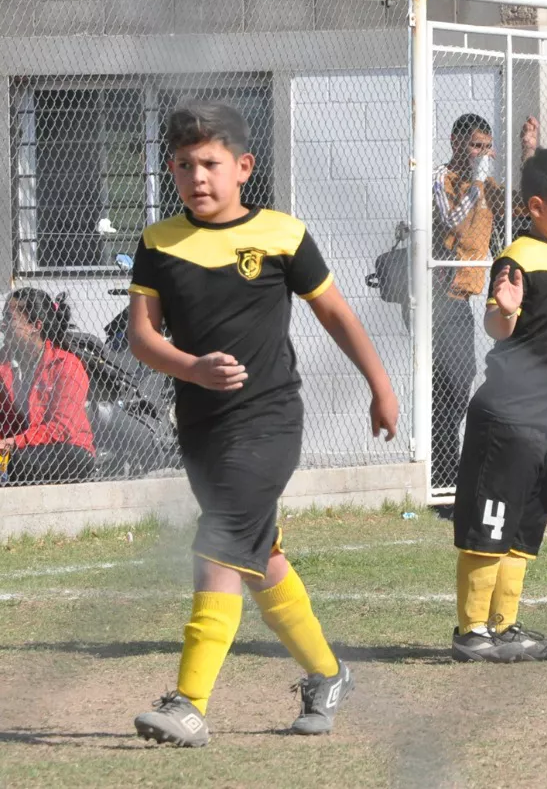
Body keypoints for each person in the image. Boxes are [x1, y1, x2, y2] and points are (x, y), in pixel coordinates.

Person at [127, 100, 398, 747]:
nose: (199, 176)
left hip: (270, 420)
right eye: (186, 164)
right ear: (172, 168)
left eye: (212, 164)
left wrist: (380, 386)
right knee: (257, 556)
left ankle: (189, 702)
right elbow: (141, 337)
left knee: (219, 542)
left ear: (243, 167)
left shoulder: (283, 234)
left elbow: (335, 314)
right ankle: (328, 675)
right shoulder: (157, 243)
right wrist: (191, 369)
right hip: (201, 427)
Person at [450, 147, 547, 663]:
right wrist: (507, 313)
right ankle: (472, 631)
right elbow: (497, 324)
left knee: (525, 524)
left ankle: (504, 625)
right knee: (490, 522)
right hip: (508, 415)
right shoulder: (517, 257)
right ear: (537, 207)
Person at [416, 113, 539, 495]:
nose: (482, 154)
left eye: (487, 148)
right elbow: (451, 219)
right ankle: (442, 472)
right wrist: (475, 180)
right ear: (456, 143)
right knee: (454, 381)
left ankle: (446, 470)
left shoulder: (485, 185)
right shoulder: (443, 178)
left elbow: (523, 206)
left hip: (463, 297)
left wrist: (529, 153)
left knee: (455, 382)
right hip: (439, 295)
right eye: (475, 147)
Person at [0, 289, 95, 485]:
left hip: (64, 450)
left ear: (35, 325)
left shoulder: (66, 365)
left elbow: (61, 429)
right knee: (12, 460)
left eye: (9, 318)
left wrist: (12, 443)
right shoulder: (4, 365)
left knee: (14, 461)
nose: (2, 325)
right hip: (21, 448)